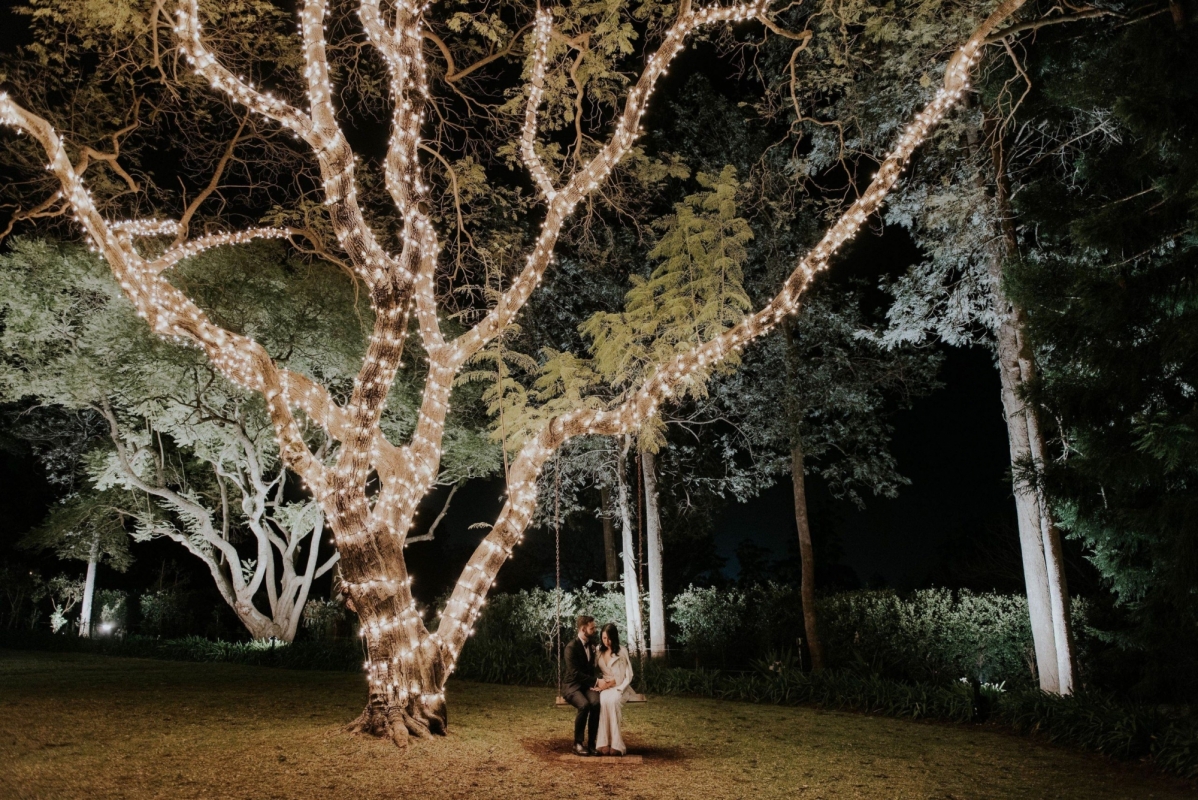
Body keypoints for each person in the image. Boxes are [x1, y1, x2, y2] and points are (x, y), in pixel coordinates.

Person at [562, 615, 611, 755]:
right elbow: (575, 673)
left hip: (587, 686)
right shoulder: (571, 648)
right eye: (592, 628)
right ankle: (577, 744)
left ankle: (591, 743)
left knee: (596, 703)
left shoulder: (592, 644)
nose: (595, 630)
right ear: (583, 629)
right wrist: (596, 681)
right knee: (584, 705)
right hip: (572, 686)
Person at [594, 622, 635, 755]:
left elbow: (629, 674)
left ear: (615, 637)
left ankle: (617, 745)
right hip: (606, 688)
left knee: (613, 702)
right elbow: (592, 668)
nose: (607, 641)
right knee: (604, 702)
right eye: (604, 638)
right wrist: (599, 683)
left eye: (609, 638)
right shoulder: (599, 650)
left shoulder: (622, 651)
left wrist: (618, 684)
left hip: (621, 687)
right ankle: (603, 743)